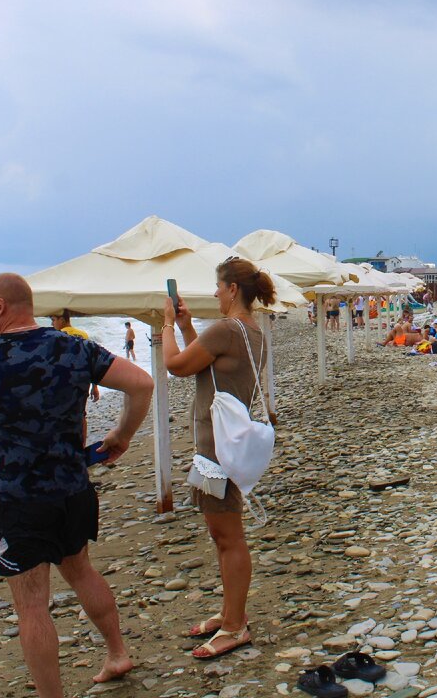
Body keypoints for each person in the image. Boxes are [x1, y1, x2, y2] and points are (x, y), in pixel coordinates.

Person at [0, 273, 153, 697]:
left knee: (31, 605)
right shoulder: (74, 347)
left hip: (18, 496)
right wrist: (122, 435)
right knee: (80, 570)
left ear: (2, 306)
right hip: (73, 488)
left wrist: (14, 451)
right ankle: (117, 652)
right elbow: (142, 383)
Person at [163, 258, 274, 659]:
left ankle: (235, 625)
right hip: (222, 447)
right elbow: (208, 365)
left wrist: (163, 328)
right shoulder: (249, 331)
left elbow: (177, 365)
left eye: (217, 285)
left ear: (231, 289)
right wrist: (186, 326)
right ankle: (230, 613)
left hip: (217, 452)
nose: (213, 292)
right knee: (222, 535)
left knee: (229, 538)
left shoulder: (228, 329)